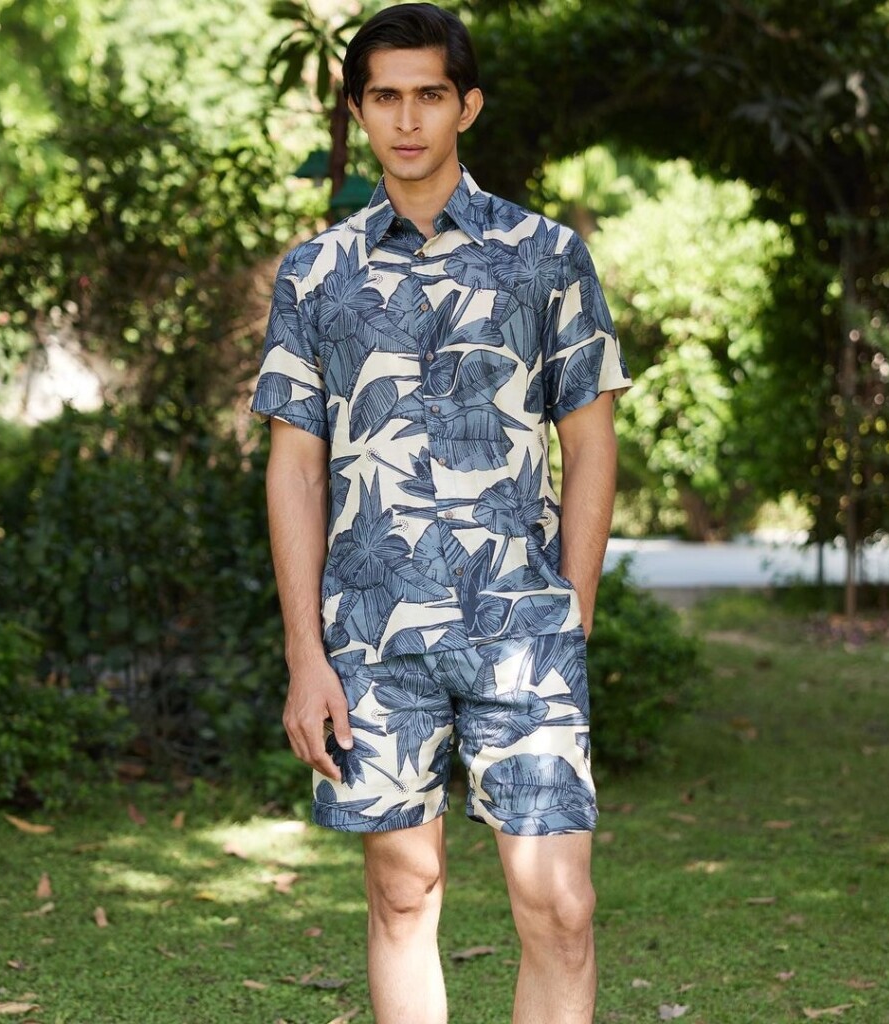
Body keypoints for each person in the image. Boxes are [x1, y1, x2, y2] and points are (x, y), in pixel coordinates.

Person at [252, 5, 631, 1021]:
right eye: (385, 96)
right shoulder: (315, 275)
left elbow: (591, 443)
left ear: (468, 105)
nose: (408, 118)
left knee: (560, 906)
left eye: (429, 94)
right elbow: (295, 470)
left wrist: (572, 612)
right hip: (371, 637)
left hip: (522, 627)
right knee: (401, 892)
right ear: (358, 110)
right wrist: (304, 655)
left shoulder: (545, 255)